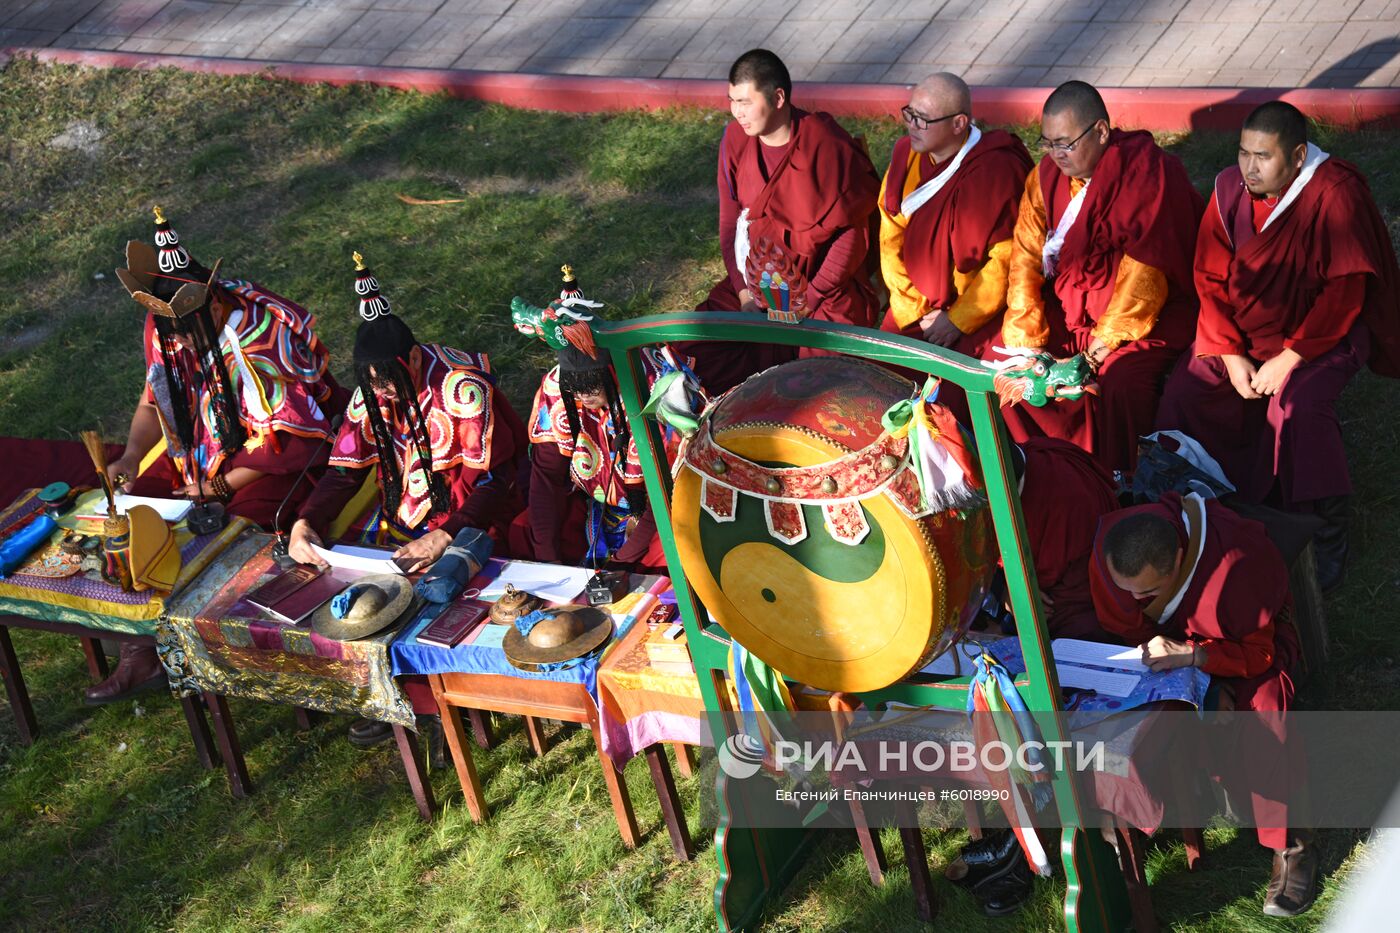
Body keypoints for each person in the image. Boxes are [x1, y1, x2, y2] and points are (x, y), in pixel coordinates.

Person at [92, 206, 343, 705]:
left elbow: (296, 438)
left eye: (185, 331)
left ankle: (220, 651)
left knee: (231, 536)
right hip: (197, 447)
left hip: (269, 455)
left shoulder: (261, 334)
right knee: (130, 515)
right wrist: (133, 456)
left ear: (208, 307)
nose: (179, 342)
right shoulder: (165, 325)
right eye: (171, 333)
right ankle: (137, 651)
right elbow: (154, 399)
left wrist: (221, 486)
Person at [1155, 101, 1400, 591]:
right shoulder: (1228, 190)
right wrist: (1229, 352)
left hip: (1320, 334)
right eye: (1243, 153)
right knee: (1186, 392)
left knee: (1298, 406)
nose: (1249, 168)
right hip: (1241, 332)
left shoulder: (1334, 193)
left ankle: (1325, 533)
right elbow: (1209, 276)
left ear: (1297, 156)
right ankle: (1199, 509)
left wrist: (1290, 358)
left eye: (1263, 157)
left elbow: (1345, 292)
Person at [1090, 493, 1315, 918]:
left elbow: (1258, 653)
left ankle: (1292, 846)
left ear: (1178, 558)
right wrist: (1197, 683)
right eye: (1127, 591)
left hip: (1239, 648)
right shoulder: (1114, 547)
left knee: (1264, 710)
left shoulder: (1237, 563)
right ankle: (1137, 817)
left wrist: (1199, 659)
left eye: (1148, 592)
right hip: (1162, 656)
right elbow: (1122, 624)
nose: (1137, 601)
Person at [998, 81, 1203, 474]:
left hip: (1146, 318)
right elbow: (1024, 252)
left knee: (1122, 382)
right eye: (1048, 143)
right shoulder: (1044, 178)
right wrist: (1026, 339)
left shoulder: (1146, 173)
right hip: (1074, 307)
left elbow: (1147, 270)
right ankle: (1045, 470)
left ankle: (1120, 479)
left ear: (1101, 132)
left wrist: (1098, 348)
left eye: (1066, 144)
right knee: (1016, 373)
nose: (1057, 154)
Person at [290, 252, 527, 573]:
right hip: (401, 514)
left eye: (389, 382)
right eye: (372, 383)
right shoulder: (373, 394)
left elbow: (495, 480)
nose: (381, 393)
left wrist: (445, 535)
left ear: (415, 358)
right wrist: (307, 519)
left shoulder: (462, 389)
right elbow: (345, 472)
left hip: (464, 515)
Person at [679, 48, 882, 394]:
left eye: (745, 101)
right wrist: (743, 293)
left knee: (824, 379)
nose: (737, 113)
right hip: (755, 282)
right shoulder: (734, 141)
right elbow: (730, 224)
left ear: (777, 97)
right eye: (732, 101)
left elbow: (853, 236)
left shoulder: (826, 145)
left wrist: (810, 298)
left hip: (822, 289)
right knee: (695, 354)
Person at [510, 272, 703, 572]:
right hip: (597, 508)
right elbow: (546, 478)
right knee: (526, 530)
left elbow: (667, 493)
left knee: (679, 549)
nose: (584, 395)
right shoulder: (560, 389)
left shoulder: (656, 389)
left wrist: (623, 564)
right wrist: (549, 562)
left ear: (612, 372)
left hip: (661, 509)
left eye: (592, 385)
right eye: (576, 386)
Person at [878, 72, 1033, 365]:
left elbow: (1008, 258)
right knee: (884, 370)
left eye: (922, 119)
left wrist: (958, 320)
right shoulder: (905, 158)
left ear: (959, 123)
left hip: (979, 308)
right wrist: (915, 310)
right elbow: (889, 238)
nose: (912, 125)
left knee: (960, 387)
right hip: (914, 302)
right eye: (909, 114)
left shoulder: (996, 169)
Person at [1014, 438, 1120, 639]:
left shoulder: (1063, 503)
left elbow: (1045, 573)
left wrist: (1019, 591)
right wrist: (1007, 592)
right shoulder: (1038, 453)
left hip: (1081, 602)